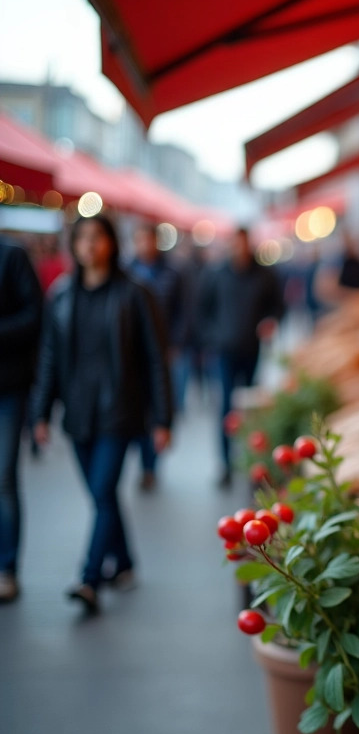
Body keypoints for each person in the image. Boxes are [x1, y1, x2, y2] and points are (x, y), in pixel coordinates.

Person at [32, 215, 173, 613]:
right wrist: (39, 414)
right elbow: (48, 360)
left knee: (102, 489)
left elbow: (155, 359)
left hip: (120, 411)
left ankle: (89, 578)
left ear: (111, 243)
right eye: (82, 239)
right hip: (77, 415)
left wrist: (163, 419)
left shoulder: (135, 293)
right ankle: (124, 562)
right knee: (103, 493)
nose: (89, 246)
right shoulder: (61, 295)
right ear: (72, 246)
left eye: (97, 238)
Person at [197, 228, 283, 488]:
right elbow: (202, 310)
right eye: (236, 244)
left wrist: (270, 321)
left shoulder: (264, 275)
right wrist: (213, 337)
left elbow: (277, 306)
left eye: (244, 244)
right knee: (226, 408)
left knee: (251, 409)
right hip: (224, 351)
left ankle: (251, 465)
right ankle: (225, 464)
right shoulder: (216, 275)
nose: (240, 249)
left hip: (252, 349)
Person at [127, 222, 185, 490]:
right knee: (137, 409)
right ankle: (144, 459)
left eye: (147, 239)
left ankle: (150, 464)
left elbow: (184, 310)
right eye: (139, 240)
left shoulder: (172, 273)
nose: (144, 245)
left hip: (161, 348)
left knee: (158, 406)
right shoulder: (126, 273)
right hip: (131, 353)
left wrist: (176, 342)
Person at [0, 237, 42, 602]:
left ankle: (7, 568)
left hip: (8, 386)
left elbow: (34, 315)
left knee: (4, 478)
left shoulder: (12, 256)